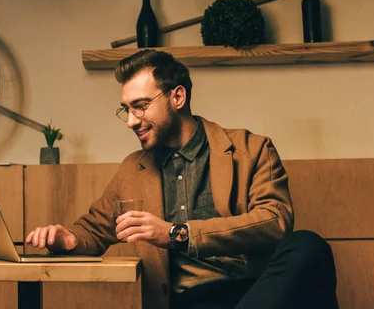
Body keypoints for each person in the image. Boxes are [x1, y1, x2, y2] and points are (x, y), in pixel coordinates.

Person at [25, 50, 338, 309]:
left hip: (260, 290)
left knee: (308, 245)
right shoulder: (133, 169)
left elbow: (274, 222)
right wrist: (68, 239)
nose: (131, 121)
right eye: (126, 110)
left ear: (177, 96)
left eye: (141, 106)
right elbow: (94, 229)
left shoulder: (251, 149)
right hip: (190, 301)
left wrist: (178, 233)